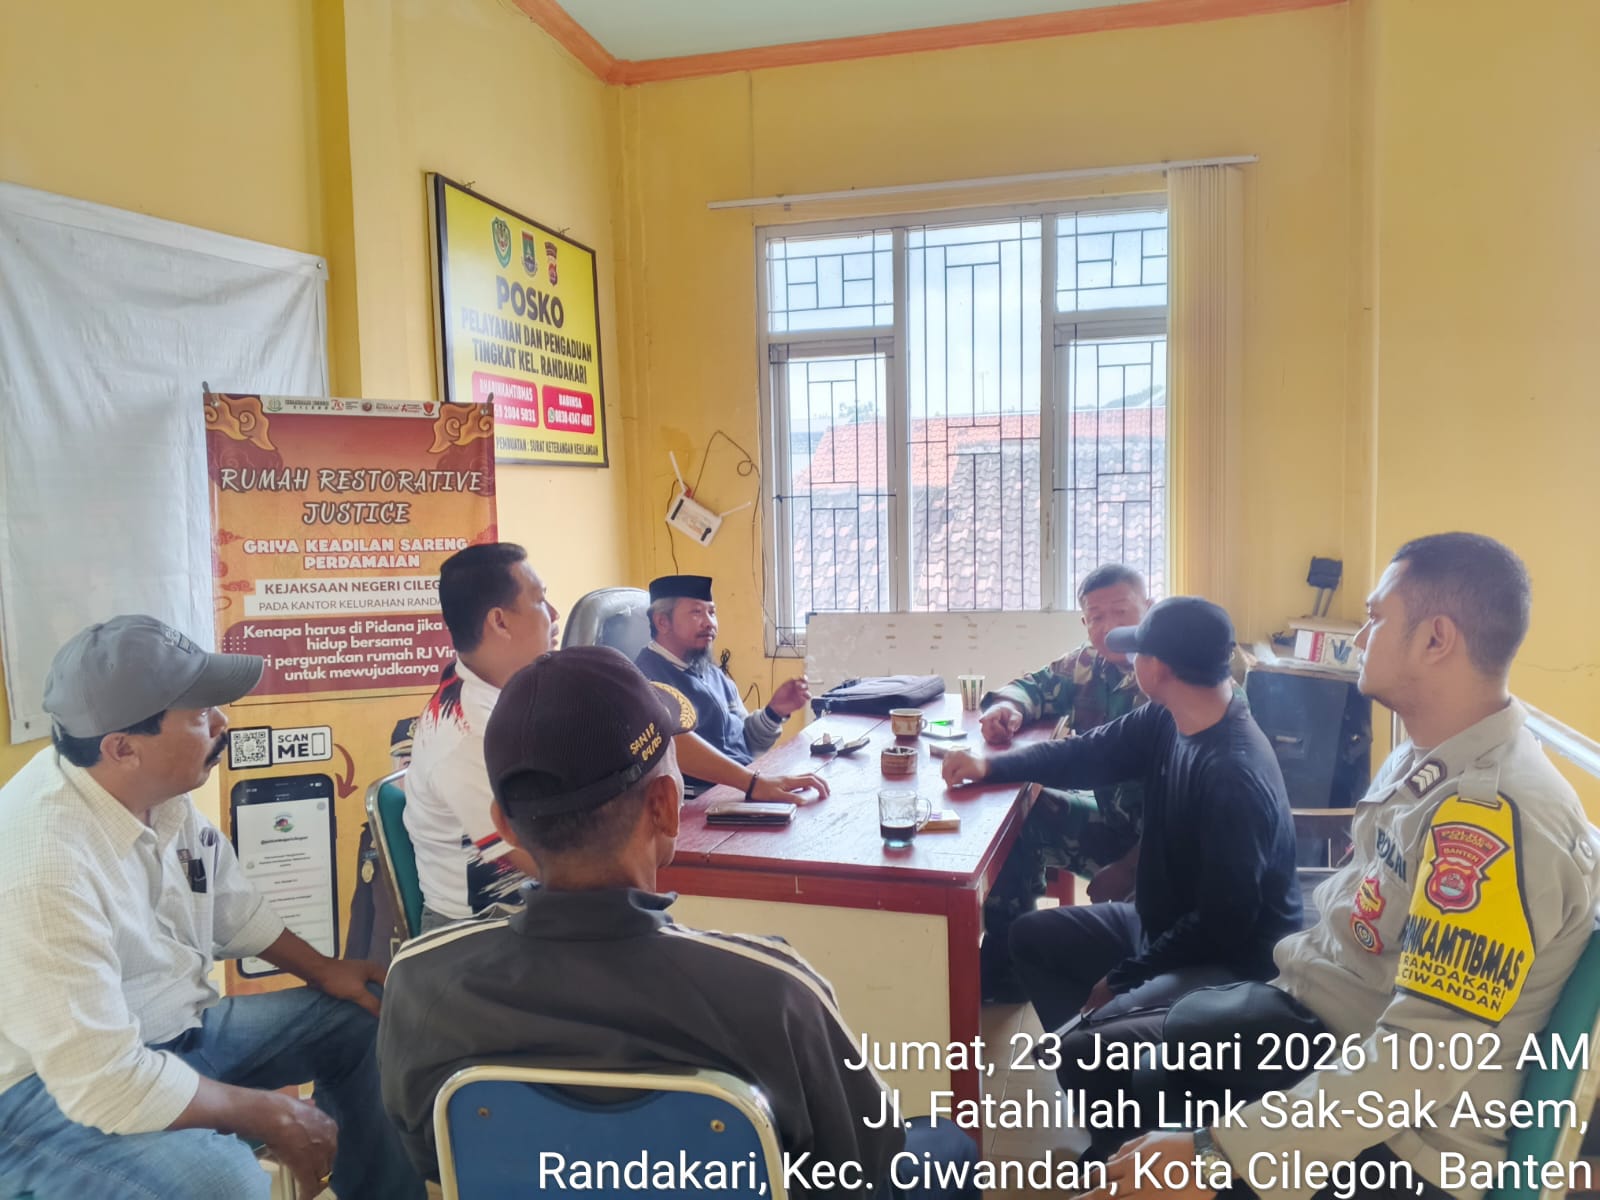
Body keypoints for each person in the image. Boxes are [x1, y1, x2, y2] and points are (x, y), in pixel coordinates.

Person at [1075, 534, 1600, 1200]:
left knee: (1160, 1107)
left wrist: (1211, 1156)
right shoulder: (1426, 759)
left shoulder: (1491, 821)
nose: (1359, 637)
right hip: (1331, 1028)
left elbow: (1419, 1062)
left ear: (1436, 639)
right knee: (1146, 1068)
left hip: (1407, 1146)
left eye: (1377, 618)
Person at [378, 646, 978, 1198]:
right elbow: (864, 1170)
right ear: (666, 806)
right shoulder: (773, 992)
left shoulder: (422, 982)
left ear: (504, 826)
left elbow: (434, 1157)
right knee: (946, 1145)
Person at [0, 616, 424, 1200]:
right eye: (200, 715)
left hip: (174, 1032)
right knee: (223, 1180)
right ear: (122, 748)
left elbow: (231, 907)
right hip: (42, 1096)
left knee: (364, 1016)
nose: (223, 723)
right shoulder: (41, 867)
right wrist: (267, 1113)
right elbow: (104, 1082)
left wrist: (327, 971)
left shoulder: (153, 795)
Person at [942, 597, 1300, 1138]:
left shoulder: (1233, 774)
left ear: (1160, 668)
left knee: (1086, 1045)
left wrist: (1124, 977)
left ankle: (1124, 1128)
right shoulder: (1170, 716)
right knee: (1031, 939)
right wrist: (989, 766)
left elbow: (1224, 925)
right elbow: (1085, 754)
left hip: (1229, 963)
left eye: (1138, 653)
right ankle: (1115, 1103)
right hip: (1162, 923)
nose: (1129, 660)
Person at [406, 545, 828, 931]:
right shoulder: (463, 735)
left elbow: (656, 731)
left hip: (556, 911)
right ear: (499, 621)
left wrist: (752, 784)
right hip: (486, 932)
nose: (554, 613)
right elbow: (554, 865)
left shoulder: (543, 684)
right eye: (539, 600)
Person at [976, 563, 1152, 1003]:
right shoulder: (1088, 664)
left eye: (1121, 612)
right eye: (1096, 617)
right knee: (1025, 813)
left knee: (1138, 960)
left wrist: (1128, 869)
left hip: (1166, 853)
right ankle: (1008, 961)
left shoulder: (1169, 675)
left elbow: (1190, 813)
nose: (1109, 627)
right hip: (1114, 826)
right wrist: (1007, 708)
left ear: (1148, 608)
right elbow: (1035, 685)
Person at [635, 574, 811, 791]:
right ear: (662, 622)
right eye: (696, 612)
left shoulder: (711, 673)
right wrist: (753, 784)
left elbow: (745, 743)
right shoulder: (646, 681)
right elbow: (674, 748)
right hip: (700, 799)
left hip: (742, 786)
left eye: (712, 612)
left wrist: (774, 712)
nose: (710, 623)